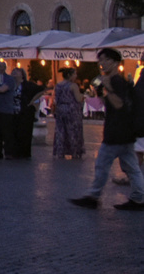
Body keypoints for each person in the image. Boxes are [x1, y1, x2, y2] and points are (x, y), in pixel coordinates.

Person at [68, 49, 144, 210]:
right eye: (100, 60)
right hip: (124, 132)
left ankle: (93, 197)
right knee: (132, 168)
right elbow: (107, 103)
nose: (101, 63)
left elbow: (119, 104)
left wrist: (106, 88)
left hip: (117, 132)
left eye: (105, 59)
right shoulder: (115, 81)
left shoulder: (116, 81)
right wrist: (101, 90)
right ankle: (138, 198)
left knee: (102, 164)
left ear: (115, 63)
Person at [53, 67, 85, 160]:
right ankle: (74, 151)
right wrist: (82, 97)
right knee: (73, 130)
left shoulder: (58, 85)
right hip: (72, 110)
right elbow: (78, 99)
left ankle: (60, 151)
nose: (76, 76)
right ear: (69, 75)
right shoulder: (73, 85)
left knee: (60, 131)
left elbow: (56, 98)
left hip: (61, 109)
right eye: (74, 74)